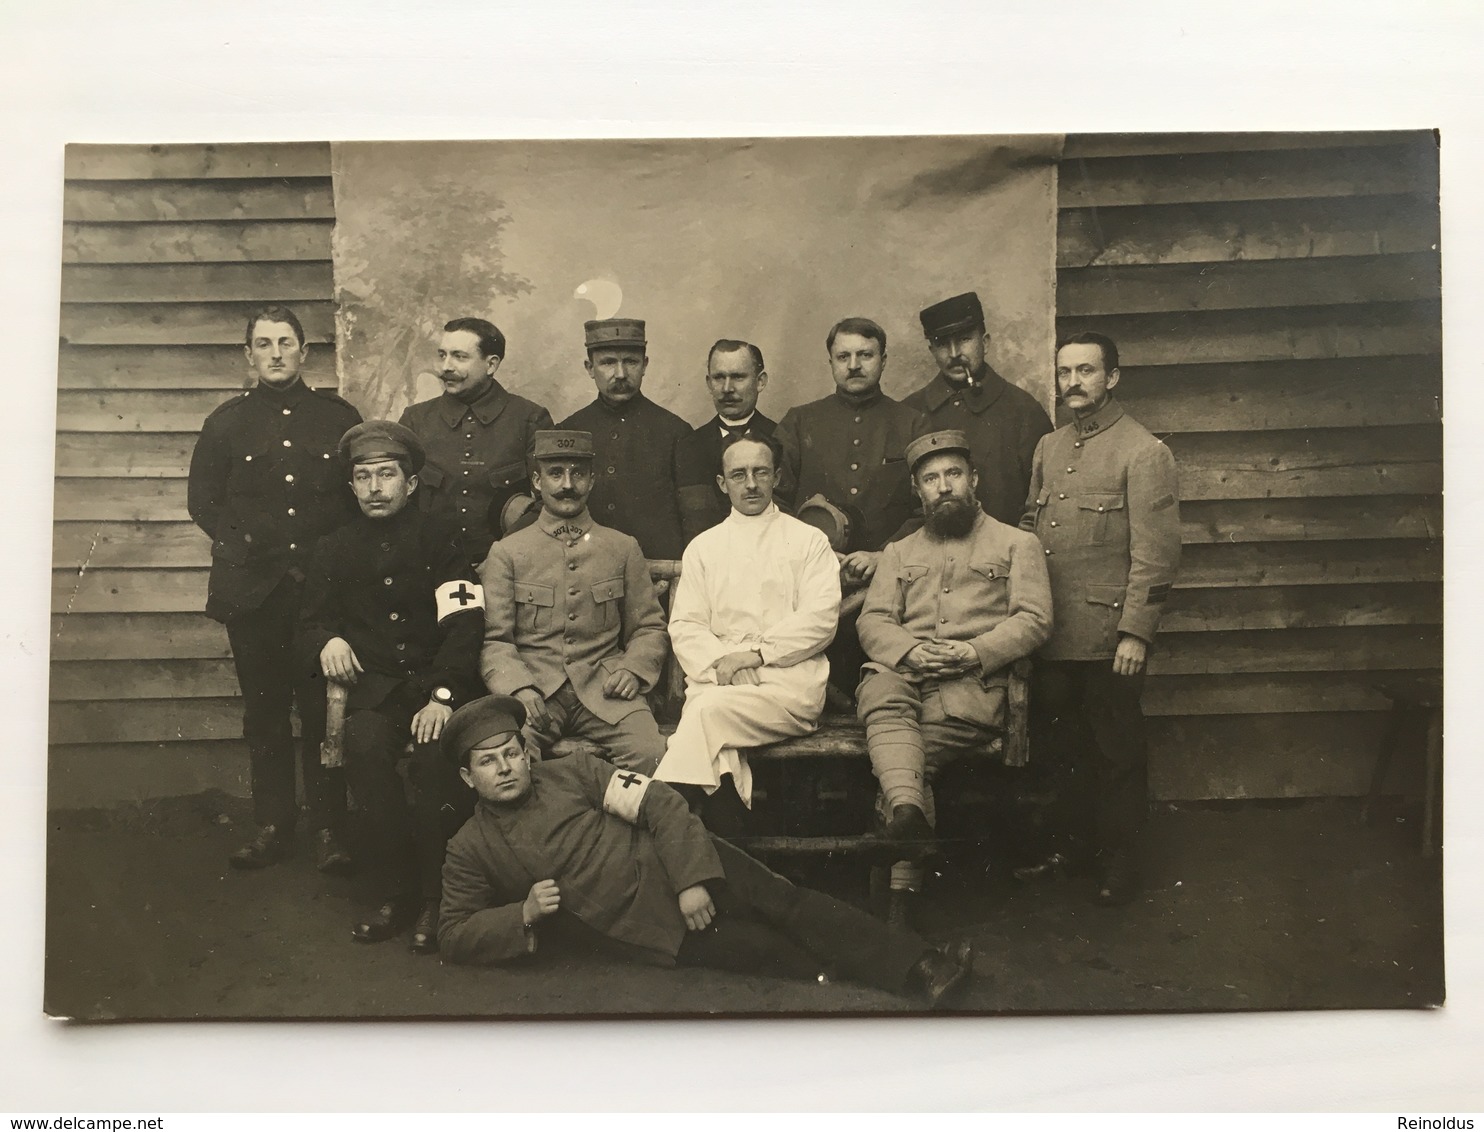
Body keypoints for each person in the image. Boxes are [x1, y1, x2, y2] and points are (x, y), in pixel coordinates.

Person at [437, 695, 977, 1009]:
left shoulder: (574, 772)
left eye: (512, 754)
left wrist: (691, 879)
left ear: (528, 756)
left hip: (683, 859)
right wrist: (521, 915)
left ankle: (922, 968)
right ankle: (891, 961)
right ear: (467, 776)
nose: (506, 768)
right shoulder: (470, 848)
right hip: (647, 927)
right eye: (489, 762)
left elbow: (660, 805)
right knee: (774, 953)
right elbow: (454, 932)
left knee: (789, 904)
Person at [186, 304, 361, 872]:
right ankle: (272, 824)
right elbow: (203, 502)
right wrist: (253, 549)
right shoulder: (226, 423)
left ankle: (329, 827)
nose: (276, 353)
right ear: (249, 355)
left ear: (305, 352)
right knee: (263, 712)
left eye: (286, 342)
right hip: (252, 591)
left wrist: (324, 566)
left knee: (323, 711)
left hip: (319, 595)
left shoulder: (338, 418)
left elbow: (353, 502)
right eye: (264, 343)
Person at [298, 421, 485, 953]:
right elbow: (307, 624)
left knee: (433, 763)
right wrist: (327, 639)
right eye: (364, 477)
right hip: (375, 695)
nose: (375, 487)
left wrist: (443, 696)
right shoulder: (334, 549)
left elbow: (465, 624)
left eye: (387, 475)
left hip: (436, 691)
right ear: (351, 486)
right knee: (364, 747)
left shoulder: (442, 542)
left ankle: (436, 896)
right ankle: (396, 892)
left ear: (410, 483)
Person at [856, 430, 1053, 921]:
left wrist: (972, 651)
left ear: (974, 479)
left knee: (904, 761)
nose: (943, 486)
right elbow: (873, 620)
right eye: (930, 478)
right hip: (904, 679)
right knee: (880, 691)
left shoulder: (1017, 544)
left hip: (969, 691)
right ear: (917, 490)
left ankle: (899, 898)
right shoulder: (899, 552)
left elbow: (1035, 619)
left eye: (953, 474)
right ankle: (907, 833)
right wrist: (910, 652)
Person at [1021, 331, 1181, 906]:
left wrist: (1137, 631)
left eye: (1086, 372)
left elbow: (1157, 555)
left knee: (1115, 752)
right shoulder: (1049, 447)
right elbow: (1028, 529)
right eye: (1065, 373)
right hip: (1052, 631)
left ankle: (1120, 859)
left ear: (1112, 377)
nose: (1073, 384)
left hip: (1110, 637)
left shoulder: (1144, 452)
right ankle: (1072, 848)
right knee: (1063, 750)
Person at [654, 433, 841, 833]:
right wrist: (725, 665)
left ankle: (658, 813)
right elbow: (686, 625)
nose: (751, 484)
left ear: (776, 477)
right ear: (723, 483)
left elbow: (821, 618)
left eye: (760, 473)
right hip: (719, 682)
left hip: (788, 685)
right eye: (738, 475)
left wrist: (755, 656)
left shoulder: (808, 541)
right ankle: (730, 836)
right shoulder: (703, 548)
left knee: (703, 715)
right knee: (715, 736)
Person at [479, 430, 669, 774]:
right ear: (537, 481)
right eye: (555, 473)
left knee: (650, 751)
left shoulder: (622, 548)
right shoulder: (508, 553)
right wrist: (517, 688)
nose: (568, 484)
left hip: (606, 692)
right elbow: (495, 640)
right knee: (509, 757)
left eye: (578, 473)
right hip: (536, 694)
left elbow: (649, 627)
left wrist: (632, 669)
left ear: (592, 481)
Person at [773, 317, 928, 697]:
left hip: (890, 589)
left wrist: (883, 556)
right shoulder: (799, 421)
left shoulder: (912, 424)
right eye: (843, 356)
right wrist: (814, 556)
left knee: (881, 689)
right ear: (830, 362)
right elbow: (773, 502)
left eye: (865, 355)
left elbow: (926, 508)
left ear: (884, 359)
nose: (854, 365)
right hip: (808, 587)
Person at [398, 316, 554, 566]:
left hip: (510, 568)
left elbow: (551, 505)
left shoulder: (530, 420)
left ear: (491, 364)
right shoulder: (415, 420)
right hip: (429, 566)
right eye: (442, 355)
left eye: (459, 357)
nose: (445, 367)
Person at [902, 291, 1052, 527]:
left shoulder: (1023, 411)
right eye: (943, 344)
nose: (954, 354)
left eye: (964, 340)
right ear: (932, 350)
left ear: (985, 342)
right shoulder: (910, 412)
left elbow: (1042, 503)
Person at [558, 318, 691, 561]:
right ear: (589, 368)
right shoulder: (568, 431)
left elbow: (695, 524)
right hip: (586, 572)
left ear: (645, 365)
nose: (620, 374)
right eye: (608, 362)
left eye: (631, 362)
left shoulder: (676, 432)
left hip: (656, 579)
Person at [672, 339, 779, 545]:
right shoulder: (689, 444)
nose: (727, 388)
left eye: (738, 377)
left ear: (760, 381)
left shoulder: (781, 436)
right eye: (719, 378)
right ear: (708, 383)